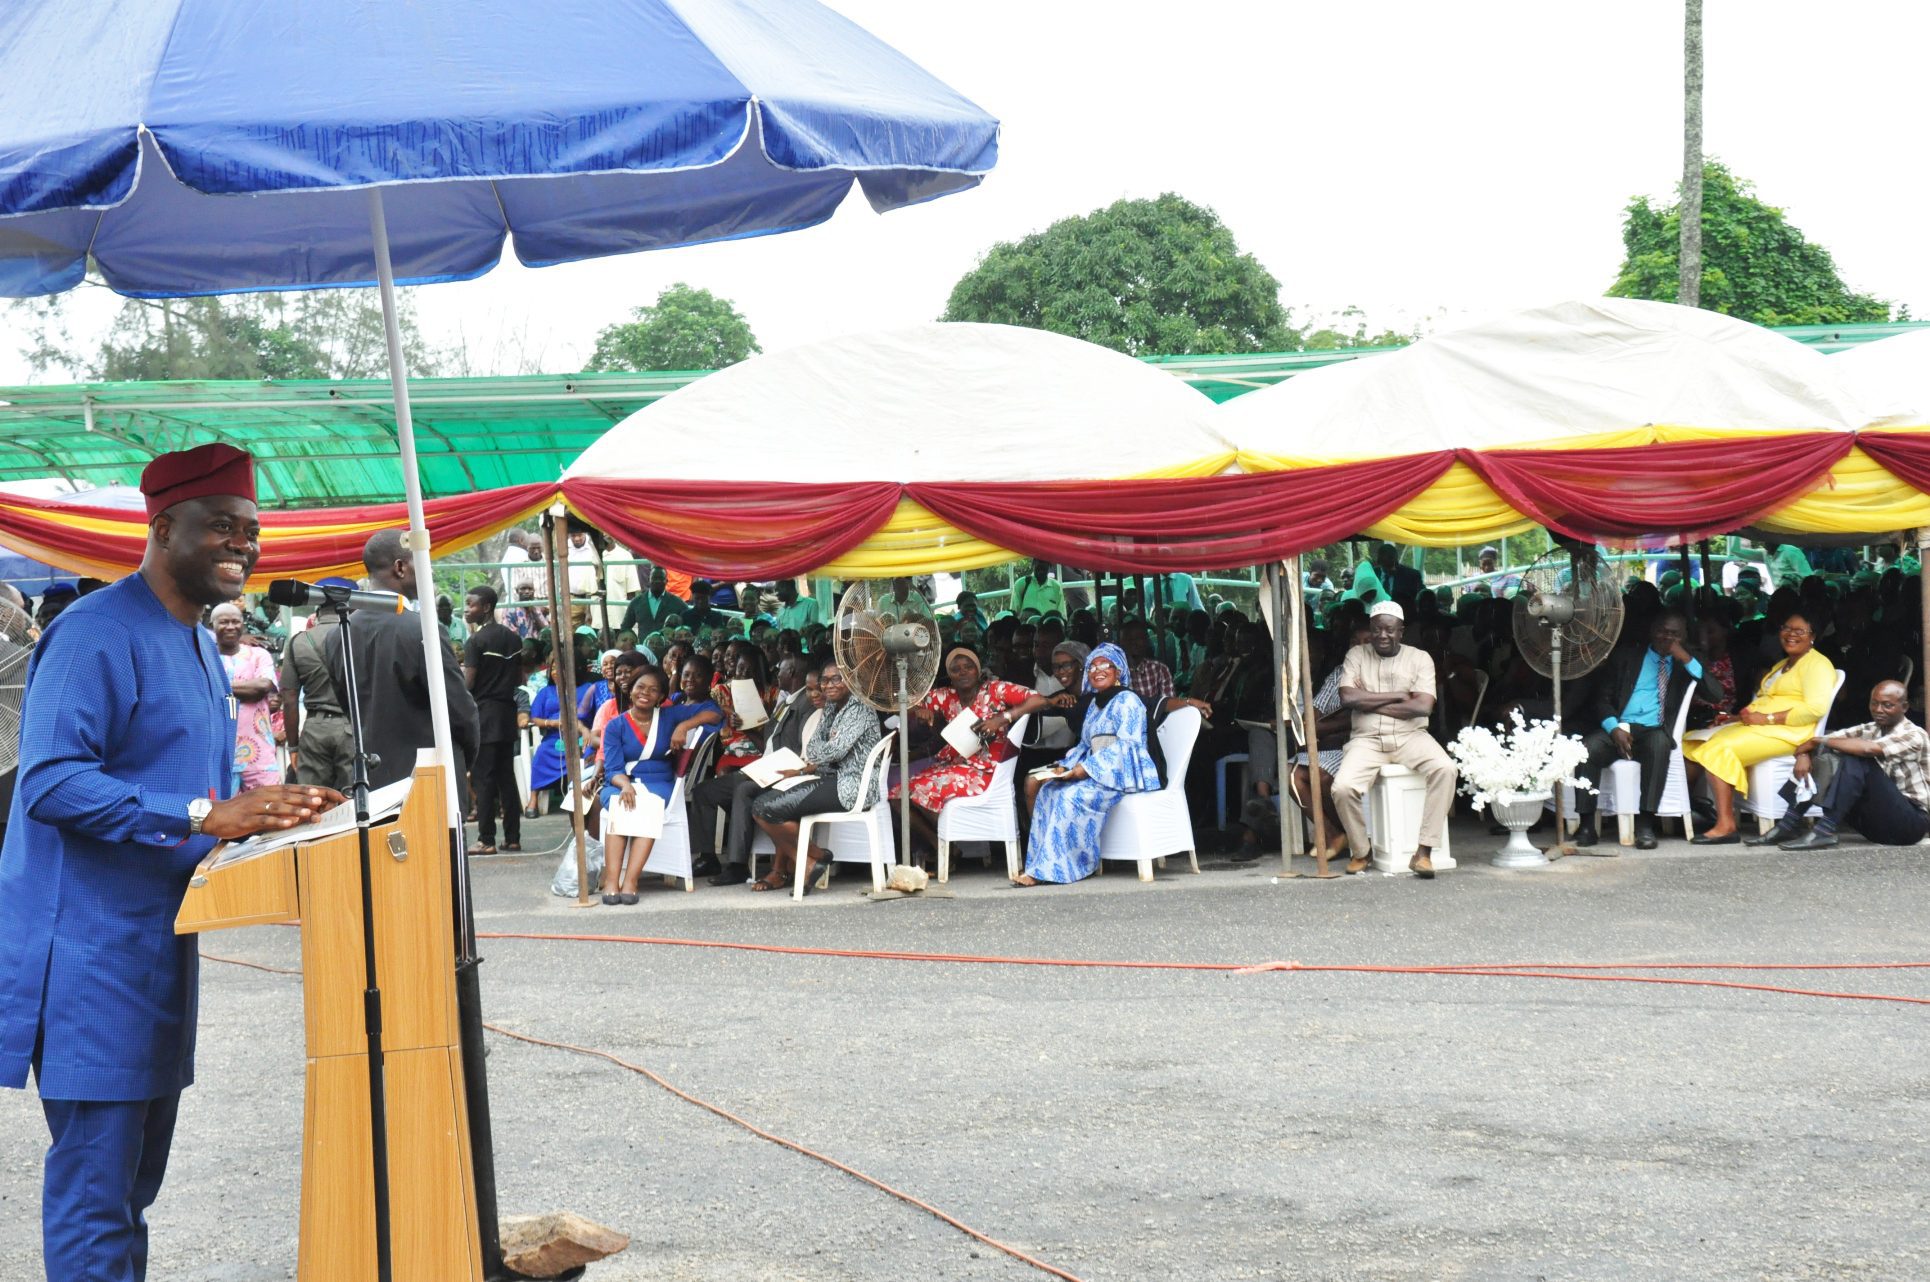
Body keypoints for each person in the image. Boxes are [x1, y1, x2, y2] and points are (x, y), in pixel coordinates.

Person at [0, 443, 341, 1282]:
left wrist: (270, 821)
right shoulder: (94, 633)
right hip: (88, 956)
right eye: (220, 527)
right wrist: (206, 814)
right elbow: (50, 782)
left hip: (159, 946)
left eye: (251, 532)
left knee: (132, 1193)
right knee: (98, 1195)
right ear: (162, 527)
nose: (243, 546)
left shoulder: (195, 641)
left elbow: (197, 791)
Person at [328, 529, 481, 794]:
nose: (428, 572)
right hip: (429, 780)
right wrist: (464, 758)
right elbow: (459, 709)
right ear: (400, 567)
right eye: (421, 562)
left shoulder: (337, 635)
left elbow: (350, 708)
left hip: (371, 780)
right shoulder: (423, 630)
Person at [1682, 610, 1836, 844]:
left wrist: (1767, 719)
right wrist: (1734, 718)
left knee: (1717, 748)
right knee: (1692, 739)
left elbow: (1814, 710)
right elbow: (1764, 701)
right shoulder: (1784, 664)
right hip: (1760, 728)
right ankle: (1692, 807)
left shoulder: (1818, 665)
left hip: (1789, 733)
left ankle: (1726, 825)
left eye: (1799, 631)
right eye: (1786, 628)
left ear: (1813, 636)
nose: (1791, 634)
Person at [1571, 611, 1721, 849]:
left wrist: (1684, 657)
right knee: (1587, 749)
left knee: (1659, 745)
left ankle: (1645, 826)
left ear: (1683, 637)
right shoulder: (1627, 656)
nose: (1667, 638)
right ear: (1652, 632)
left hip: (1655, 729)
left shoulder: (1686, 662)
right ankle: (1587, 825)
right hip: (1620, 726)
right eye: (1663, 631)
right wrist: (1613, 728)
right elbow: (1602, 698)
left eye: (1675, 634)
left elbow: (1715, 694)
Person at [1012, 644, 1161, 885]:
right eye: (1093, 666)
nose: (1097, 670)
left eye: (1105, 665)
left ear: (1119, 670)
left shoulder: (1127, 701)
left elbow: (1127, 746)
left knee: (1068, 798)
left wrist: (1088, 769)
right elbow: (1085, 745)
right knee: (1049, 790)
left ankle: (1062, 869)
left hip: (1121, 775)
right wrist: (1065, 767)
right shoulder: (1095, 704)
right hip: (1097, 773)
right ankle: (1041, 865)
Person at [1330, 601, 1456, 878]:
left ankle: (1423, 852)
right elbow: (1348, 698)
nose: (1382, 636)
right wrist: (1399, 696)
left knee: (1446, 769)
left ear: (1401, 631)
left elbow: (1423, 707)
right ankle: (1362, 851)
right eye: (1376, 630)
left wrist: (1369, 702)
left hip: (1411, 735)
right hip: (1367, 740)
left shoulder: (1419, 658)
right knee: (1342, 788)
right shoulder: (1356, 654)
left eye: (1389, 630)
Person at [893, 647, 1048, 859]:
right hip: (955, 768)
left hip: (986, 772)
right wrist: (920, 709)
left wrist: (1004, 717)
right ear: (949, 675)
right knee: (897, 796)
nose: (963, 672)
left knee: (917, 791)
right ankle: (942, 846)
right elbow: (903, 704)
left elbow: (1040, 700)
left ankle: (951, 839)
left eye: (968, 667)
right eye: (956, 669)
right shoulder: (947, 696)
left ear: (978, 670)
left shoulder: (995, 690)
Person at [1746, 680, 1930, 850]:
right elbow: (1825, 740)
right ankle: (1788, 824)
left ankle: (1824, 830)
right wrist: (1805, 753)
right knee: (1829, 751)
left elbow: (1867, 750)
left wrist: (1817, 742)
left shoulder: (1915, 734)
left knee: (1856, 756)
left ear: (1904, 707)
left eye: (1887, 705)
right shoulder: (1870, 729)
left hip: (1910, 824)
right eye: (1874, 703)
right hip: (1876, 825)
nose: (1879, 709)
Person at [749, 658, 882, 892]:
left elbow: (833, 750)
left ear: (851, 680)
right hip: (829, 778)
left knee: (765, 808)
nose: (828, 685)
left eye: (836, 679)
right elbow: (813, 749)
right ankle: (815, 857)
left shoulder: (860, 708)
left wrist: (824, 750)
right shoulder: (832, 706)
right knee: (764, 804)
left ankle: (810, 861)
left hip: (851, 786)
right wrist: (824, 750)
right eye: (825, 680)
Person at [596, 666, 721, 903]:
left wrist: (684, 726)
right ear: (630, 690)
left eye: (653, 690)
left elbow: (714, 713)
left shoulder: (670, 715)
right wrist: (625, 786)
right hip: (622, 782)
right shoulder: (615, 726)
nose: (645, 693)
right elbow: (613, 769)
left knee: (647, 807)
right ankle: (612, 880)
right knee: (619, 804)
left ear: (661, 696)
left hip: (659, 782)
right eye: (640, 687)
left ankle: (631, 880)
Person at [691, 658, 817, 885]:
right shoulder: (786, 701)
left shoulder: (807, 703)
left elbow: (804, 747)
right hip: (762, 765)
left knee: (743, 790)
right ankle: (708, 856)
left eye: (780, 668)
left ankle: (738, 865)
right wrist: (746, 729)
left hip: (783, 769)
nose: (776, 672)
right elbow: (767, 743)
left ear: (793, 671)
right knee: (704, 791)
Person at [278, 577, 356, 791]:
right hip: (354, 728)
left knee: (312, 799)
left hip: (315, 729)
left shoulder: (298, 641)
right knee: (354, 800)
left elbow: (290, 698)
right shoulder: (362, 637)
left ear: (318, 606)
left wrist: (293, 746)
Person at [463, 585, 524, 855]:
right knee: (506, 778)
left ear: (486, 607)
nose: (466, 609)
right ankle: (512, 837)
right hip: (507, 714)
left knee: (483, 779)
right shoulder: (513, 639)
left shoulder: (475, 642)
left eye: (471, 604)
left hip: (485, 715)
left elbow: (469, 682)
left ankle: (486, 839)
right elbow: (519, 678)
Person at [209, 601, 282, 792]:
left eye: (236, 621)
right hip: (219, 756)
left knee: (269, 810)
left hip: (259, 754)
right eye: (224, 622)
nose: (231, 626)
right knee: (225, 815)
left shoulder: (259, 655)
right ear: (212, 626)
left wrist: (214, 688)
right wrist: (248, 688)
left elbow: (263, 686)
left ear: (243, 624)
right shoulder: (205, 658)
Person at [621, 566, 684, 637]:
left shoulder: (677, 602)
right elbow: (625, 627)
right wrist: (633, 641)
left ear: (666, 581)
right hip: (643, 646)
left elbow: (688, 625)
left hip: (667, 647)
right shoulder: (636, 602)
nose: (657, 581)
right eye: (654, 578)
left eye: (661, 578)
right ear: (649, 580)